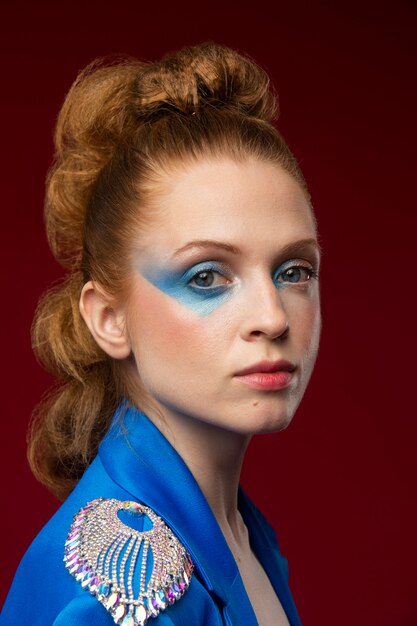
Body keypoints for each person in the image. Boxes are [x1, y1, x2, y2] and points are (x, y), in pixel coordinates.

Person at [1, 42, 321, 626]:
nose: (273, 318)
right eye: (206, 277)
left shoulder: (247, 539)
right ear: (108, 319)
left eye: (294, 271)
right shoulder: (118, 594)